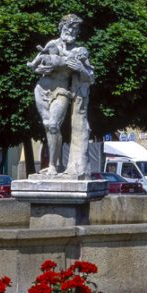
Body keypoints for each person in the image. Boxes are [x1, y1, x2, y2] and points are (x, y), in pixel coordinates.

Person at [28, 14, 95, 178]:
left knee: (53, 125)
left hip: (62, 91)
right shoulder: (52, 44)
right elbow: (36, 66)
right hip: (42, 88)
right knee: (47, 125)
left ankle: (52, 165)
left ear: (78, 32)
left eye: (74, 29)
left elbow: (90, 77)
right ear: (61, 28)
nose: (70, 31)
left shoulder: (79, 51)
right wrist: (39, 69)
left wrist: (80, 68)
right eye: (68, 27)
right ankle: (53, 164)